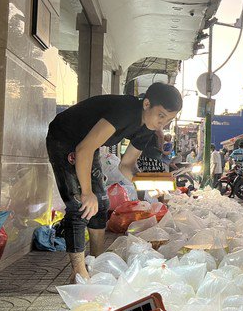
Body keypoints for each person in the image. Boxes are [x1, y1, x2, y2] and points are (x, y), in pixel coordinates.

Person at [46, 82, 182, 281]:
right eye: (161, 115)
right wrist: (86, 192)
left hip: (87, 147)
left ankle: (96, 261)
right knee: (80, 204)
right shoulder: (125, 111)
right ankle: (78, 271)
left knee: (101, 202)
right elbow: (83, 149)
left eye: (168, 119)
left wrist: (150, 185)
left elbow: (126, 166)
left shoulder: (146, 129)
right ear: (146, 104)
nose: (163, 123)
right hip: (65, 137)